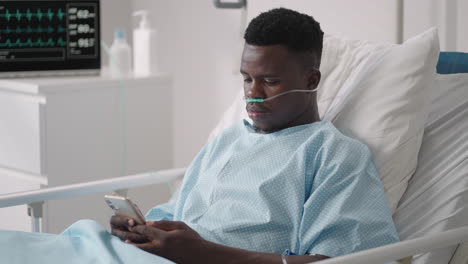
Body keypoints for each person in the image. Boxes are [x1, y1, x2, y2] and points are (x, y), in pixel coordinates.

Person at [110, 7, 399, 264]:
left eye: (270, 81)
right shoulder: (227, 140)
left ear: (311, 80)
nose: (252, 94)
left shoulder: (334, 156)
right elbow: (177, 214)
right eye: (247, 79)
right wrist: (142, 229)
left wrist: (202, 253)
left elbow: (339, 260)